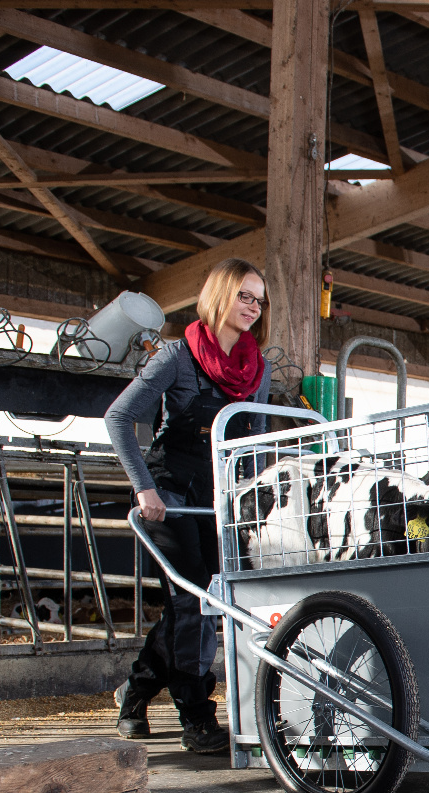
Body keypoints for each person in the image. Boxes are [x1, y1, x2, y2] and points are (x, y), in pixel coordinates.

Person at [103, 257, 273, 752]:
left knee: (205, 599)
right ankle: (196, 716)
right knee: (191, 598)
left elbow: (254, 441)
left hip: (215, 494)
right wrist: (144, 488)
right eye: (245, 295)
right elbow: (119, 418)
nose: (253, 307)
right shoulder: (176, 357)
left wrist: (247, 497)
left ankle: (134, 693)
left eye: (259, 300)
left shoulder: (255, 369)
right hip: (169, 488)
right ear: (219, 294)